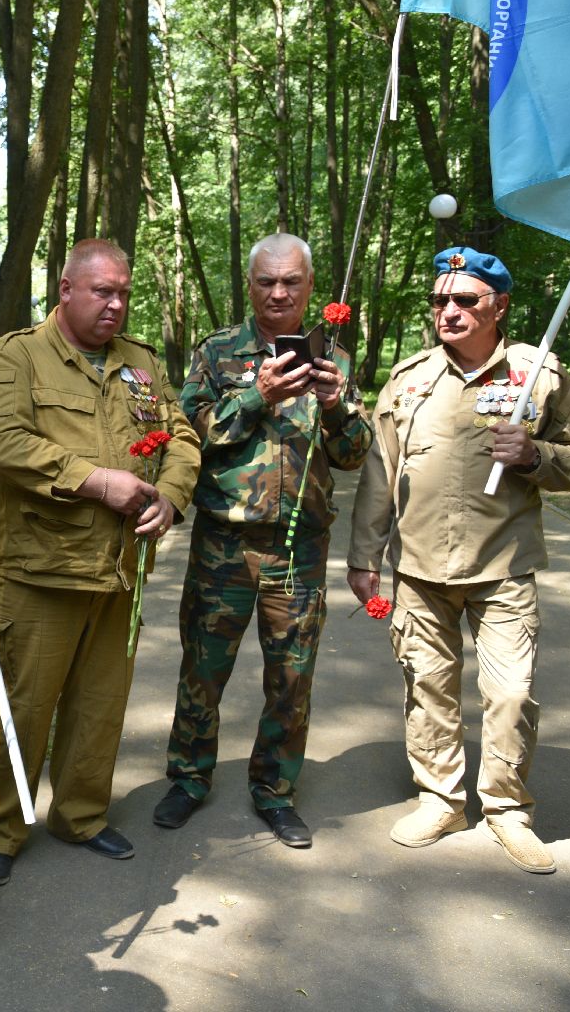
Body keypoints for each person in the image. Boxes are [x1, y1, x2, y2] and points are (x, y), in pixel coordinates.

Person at [347, 246, 570, 874]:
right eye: (439, 300)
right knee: (427, 688)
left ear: (499, 306)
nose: (448, 311)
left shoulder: (539, 377)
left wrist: (535, 455)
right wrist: (363, 555)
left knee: (511, 694)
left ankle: (508, 808)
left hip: (503, 566)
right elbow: (380, 473)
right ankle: (441, 798)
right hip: (419, 569)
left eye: (465, 300)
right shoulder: (408, 380)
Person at [0, 238, 200, 887]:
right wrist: (98, 482)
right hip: (41, 567)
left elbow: (180, 436)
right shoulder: (20, 355)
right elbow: (3, 442)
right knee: (24, 705)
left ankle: (80, 814)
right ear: (66, 289)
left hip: (121, 568)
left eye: (124, 293)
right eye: (103, 292)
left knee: (101, 705)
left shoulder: (142, 364)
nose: (116, 305)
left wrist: (173, 499)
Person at [153, 232, 372, 848]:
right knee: (203, 669)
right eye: (266, 282)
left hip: (299, 551)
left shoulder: (337, 359)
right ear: (250, 286)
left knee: (292, 677)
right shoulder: (219, 351)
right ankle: (188, 779)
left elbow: (353, 455)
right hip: (224, 544)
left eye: (291, 282)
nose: (278, 293)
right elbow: (188, 433)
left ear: (309, 286)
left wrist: (334, 407)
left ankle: (275, 791)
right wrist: (258, 395)